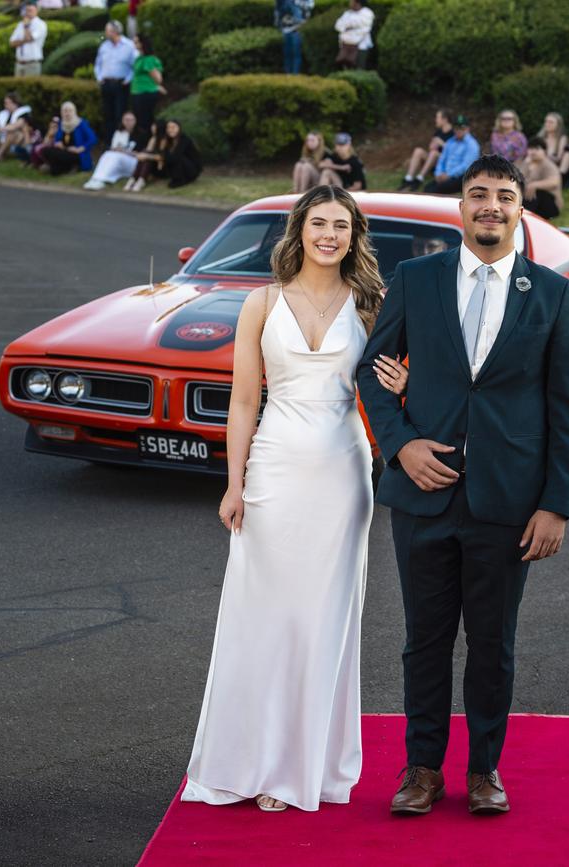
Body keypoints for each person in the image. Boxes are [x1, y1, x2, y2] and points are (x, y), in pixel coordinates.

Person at [357, 153, 569, 818]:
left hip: (509, 503)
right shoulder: (416, 278)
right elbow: (372, 371)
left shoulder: (551, 294)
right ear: (460, 206)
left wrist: (556, 504)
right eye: (478, 193)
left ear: (522, 209)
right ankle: (423, 767)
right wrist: (400, 446)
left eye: (504, 195)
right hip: (422, 498)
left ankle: (484, 768)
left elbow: (568, 411)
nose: (490, 205)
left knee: (493, 641)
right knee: (423, 638)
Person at [180, 185, 408, 813]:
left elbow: (393, 391)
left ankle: (302, 767)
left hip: (342, 473)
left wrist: (405, 383)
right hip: (274, 469)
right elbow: (244, 401)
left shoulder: (371, 303)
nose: (329, 235)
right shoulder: (262, 302)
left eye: (341, 225)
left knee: (323, 622)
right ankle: (250, 761)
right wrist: (234, 483)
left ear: (355, 235)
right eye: (319, 223)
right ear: (299, 229)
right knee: (264, 618)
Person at [94, 20, 138, 146]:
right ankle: (108, 142)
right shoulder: (104, 46)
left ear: (115, 31)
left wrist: (128, 79)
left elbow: (134, 65)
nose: (106, 33)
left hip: (121, 84)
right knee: (108, 115)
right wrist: (99, 77)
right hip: (106, 84)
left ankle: (120, 142)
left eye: (108, 30)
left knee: (120, 114)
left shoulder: (129, 45)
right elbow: (98, 64)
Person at [83, 111, 147, 190]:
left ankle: (101, 180)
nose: (128, 122)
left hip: (134, 162)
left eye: (131, 120)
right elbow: (113, 148)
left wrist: (124, 151)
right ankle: (95, 179)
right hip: (119, 159)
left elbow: (141, 154)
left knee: (116, 156)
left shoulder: (141, 134)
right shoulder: (119, 133)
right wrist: (117, 150)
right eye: (126, 120)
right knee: (107, 154)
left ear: (135, 121)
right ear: (123, 121)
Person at [398, 108, 455, 191]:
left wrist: (441, 143)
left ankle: (419, 179)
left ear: (445, 119)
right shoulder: (438, 132)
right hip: (433, 160)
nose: (435, 120)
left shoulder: (454, 133)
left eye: (437, 118)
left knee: (434, 153)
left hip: (445, 163)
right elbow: (431, 147)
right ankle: (408, 179)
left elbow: (454, 152)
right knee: (418, 150)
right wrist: (432, 145)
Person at [423, 115, 480, 194]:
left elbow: (466, 166)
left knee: (437, 190)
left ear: (467, 129)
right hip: (445, 175)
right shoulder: (450, 142)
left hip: (462, 177)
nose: (459, 130)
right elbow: (442, 159)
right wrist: (438, 174)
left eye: (462, 128)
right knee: (427, 188)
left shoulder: (472, 144)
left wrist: (449, 175)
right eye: (456, 128)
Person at [40, 101, 97, 176]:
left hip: (76, 153)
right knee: (45, 150)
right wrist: (58, 143)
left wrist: (80, 149)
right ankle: (63, 169)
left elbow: (93, 139)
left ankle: (60, 169)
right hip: (64, 150)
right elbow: (57, 139)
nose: (67, 113)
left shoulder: (81, 123)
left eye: (70, 111)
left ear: (74, 111)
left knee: (58, 157)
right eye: (65, 111)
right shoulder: (61, 124)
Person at [519, 137, 564, 220]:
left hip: (551, 204)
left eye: (537, 149)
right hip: (533, 201)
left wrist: (535, 185)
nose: (533, 152)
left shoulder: (548, 165)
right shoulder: (527, 163)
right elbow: (519, 179)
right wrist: (526, 165)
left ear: (544, 151)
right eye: (530, 149)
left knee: (537, 192)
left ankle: (526, 216)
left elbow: (554, 182)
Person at [130, 33, 164, 133]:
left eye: (136, 42)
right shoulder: (139, 58)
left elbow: (158, 79)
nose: (134, 44)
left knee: (145, 121)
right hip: (137, 93)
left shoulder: (149, 59)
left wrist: (157, 87)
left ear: (142, 43)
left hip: (146, 93)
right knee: (139, 121)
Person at [125, 118, 166, 192]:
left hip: (160, 167)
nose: (152, 127)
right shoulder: (153, 138)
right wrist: (143, 155)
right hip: (150, 164)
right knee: (144, 154)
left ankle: (140, 180)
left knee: (146, 157)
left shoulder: (163, 140)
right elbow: (147, 151)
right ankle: (134, 179)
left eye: (154, 126)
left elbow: (161, 157)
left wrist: (145, 156)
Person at [274, 0, 314, 75]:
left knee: (296, 53)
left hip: (299, 27)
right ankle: (288, 74)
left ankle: (295, 74)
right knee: (287, 53)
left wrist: (297, 2)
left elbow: (310, 5)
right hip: (286, 28)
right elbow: (278, 10)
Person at [9, 2, 47, 77]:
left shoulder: (40, 24)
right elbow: (12, 43)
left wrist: (26, 26)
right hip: (19, 63)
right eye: (27, 10)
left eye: (31, 10)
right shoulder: (20, 24)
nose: (28, 13)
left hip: (32, 64)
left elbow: (29, 38)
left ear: (36, 11)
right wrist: (24, 41)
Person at [161, 119, 202, 189]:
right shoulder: (168, 141)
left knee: (178, 157)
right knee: (169, 158)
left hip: (192, 169)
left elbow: (176, 156)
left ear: (179, 128)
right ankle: (176, 178)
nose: (170, 130)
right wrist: (163, 148)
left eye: (173, 127)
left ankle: (181, 180)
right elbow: (166, 157)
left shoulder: (185, 139)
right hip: (180, 167)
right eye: (168, 128)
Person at [335, 0, 374, 69]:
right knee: (345, 67)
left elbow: (364, 28)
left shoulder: (367, 13)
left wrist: (347, 27)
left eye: (351, 1)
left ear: (357, 3)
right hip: (345, 46)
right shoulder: (347, 13)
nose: (350, 3)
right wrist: (350, 27)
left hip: (361, 47)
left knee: (359, 68)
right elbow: (338, 25)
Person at [0, 92, 31, 163]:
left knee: (12, 132)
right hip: (2, 141)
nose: (5, 105)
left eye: (7, 103)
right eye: (5, 103)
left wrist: (2, 128)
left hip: (16, 144)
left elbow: (17, 125)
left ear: (15, 103)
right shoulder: (2, 114)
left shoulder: (23, 114)